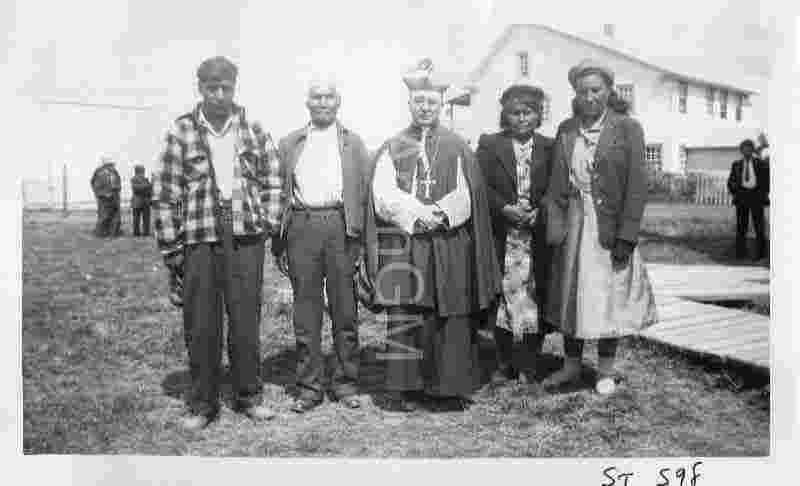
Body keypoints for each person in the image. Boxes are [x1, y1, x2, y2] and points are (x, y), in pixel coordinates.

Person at [364, 59, 502, 411]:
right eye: (419, 101)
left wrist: (439, 214)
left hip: (447, 241)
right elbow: (383, 193)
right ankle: (407, 388)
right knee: (408, 312)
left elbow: (466, 193)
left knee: (449, 312)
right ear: (409, 104)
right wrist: (416, 214)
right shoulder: (393, 146)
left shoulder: (457, 146)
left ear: (441, 105)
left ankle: (447, 388)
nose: (425, 108)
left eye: (432, 102)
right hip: (408, 242)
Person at [152, 56, 281, 430]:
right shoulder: (181, 132)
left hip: (245, 235)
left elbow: (274, 181)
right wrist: (172, 249)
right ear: (201, 88)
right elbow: (164, 194)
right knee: (201, 324)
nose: (220, 95)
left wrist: (267, 224)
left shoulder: (254, 129)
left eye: (226, 87)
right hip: (200, 235)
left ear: (234, 88)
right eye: (212, 88)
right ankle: (202, 404)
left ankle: (249, 396)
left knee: (245, 321)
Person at [541, 59, 658, 395]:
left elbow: (637, 186)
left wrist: (627, 235)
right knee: (571, 296)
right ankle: (571, 366)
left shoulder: (628, 128)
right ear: (575, 94)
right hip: (573, 223)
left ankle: (605, 370)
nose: (589, 97)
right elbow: (555, 183)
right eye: (583, 91)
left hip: (609, 225)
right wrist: (553, 222)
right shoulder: (566, 129)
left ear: (609, 91)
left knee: (609, 297)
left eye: (596, 90)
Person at [270, 76, 371, 413]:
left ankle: (345, 383)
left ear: (338, 102)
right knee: (306, 313)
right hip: (301, 226)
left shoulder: (354, 143)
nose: (323, 102)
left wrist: (359, 240)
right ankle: (309, 387)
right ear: (308, 102)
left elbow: (365, 193)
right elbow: (278, 194)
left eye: (329, 97)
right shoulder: (290, 143)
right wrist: (279, 243)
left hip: (341, 227)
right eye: (317, 97)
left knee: (345, 310)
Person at [476, 84, 554, 384]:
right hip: (503, 234)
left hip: (536, 236)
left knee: (534, 295)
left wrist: (541, 210)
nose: (522, 118)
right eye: (515, 113)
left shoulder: (550, 146)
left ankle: (530, 361)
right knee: (504, 296)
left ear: (538, 115)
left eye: (528, 112)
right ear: (505, 115)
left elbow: (557, 187)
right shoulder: (490, 144)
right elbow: (479, 185)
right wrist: (504, 208)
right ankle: (505, 360)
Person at [727, 139, 769, 260]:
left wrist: (763, 194)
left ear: (753, 150)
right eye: (744, 149)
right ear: (741, 151)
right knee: (741, 227)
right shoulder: (736, 164)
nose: (747, 151)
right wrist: (735, 191)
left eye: (749, 149)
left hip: (756, 197)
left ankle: (761, 254)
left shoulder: (760, 163)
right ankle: (740, 253)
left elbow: (767, 180)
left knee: (759, 227)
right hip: (742, 197)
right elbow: (731, 181)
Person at [90, 156, 122, 237]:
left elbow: (118, 182)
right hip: (104, 199)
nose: (112, 166)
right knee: (104, 216)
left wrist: (117, 189)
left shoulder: (115, 172)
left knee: (116, 216)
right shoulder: (99, 172)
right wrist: (102, 194)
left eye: (113, 165)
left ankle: (114, 232)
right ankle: (101, 233)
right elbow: (94, 185)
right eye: (111, 165)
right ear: (105, 165)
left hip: (114, 197)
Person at [130, 164, 153, 237]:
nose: (143, 172)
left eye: (143, 171)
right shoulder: (134, 179)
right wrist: (149, 186)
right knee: (136, 219)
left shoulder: (146, 179)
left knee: (146, 218)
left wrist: (150, 185)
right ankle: (136, 233)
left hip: (145, 201)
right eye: (142, 170)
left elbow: (149, 190)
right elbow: (137, 189)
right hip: (137, 202)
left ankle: (146, 233)